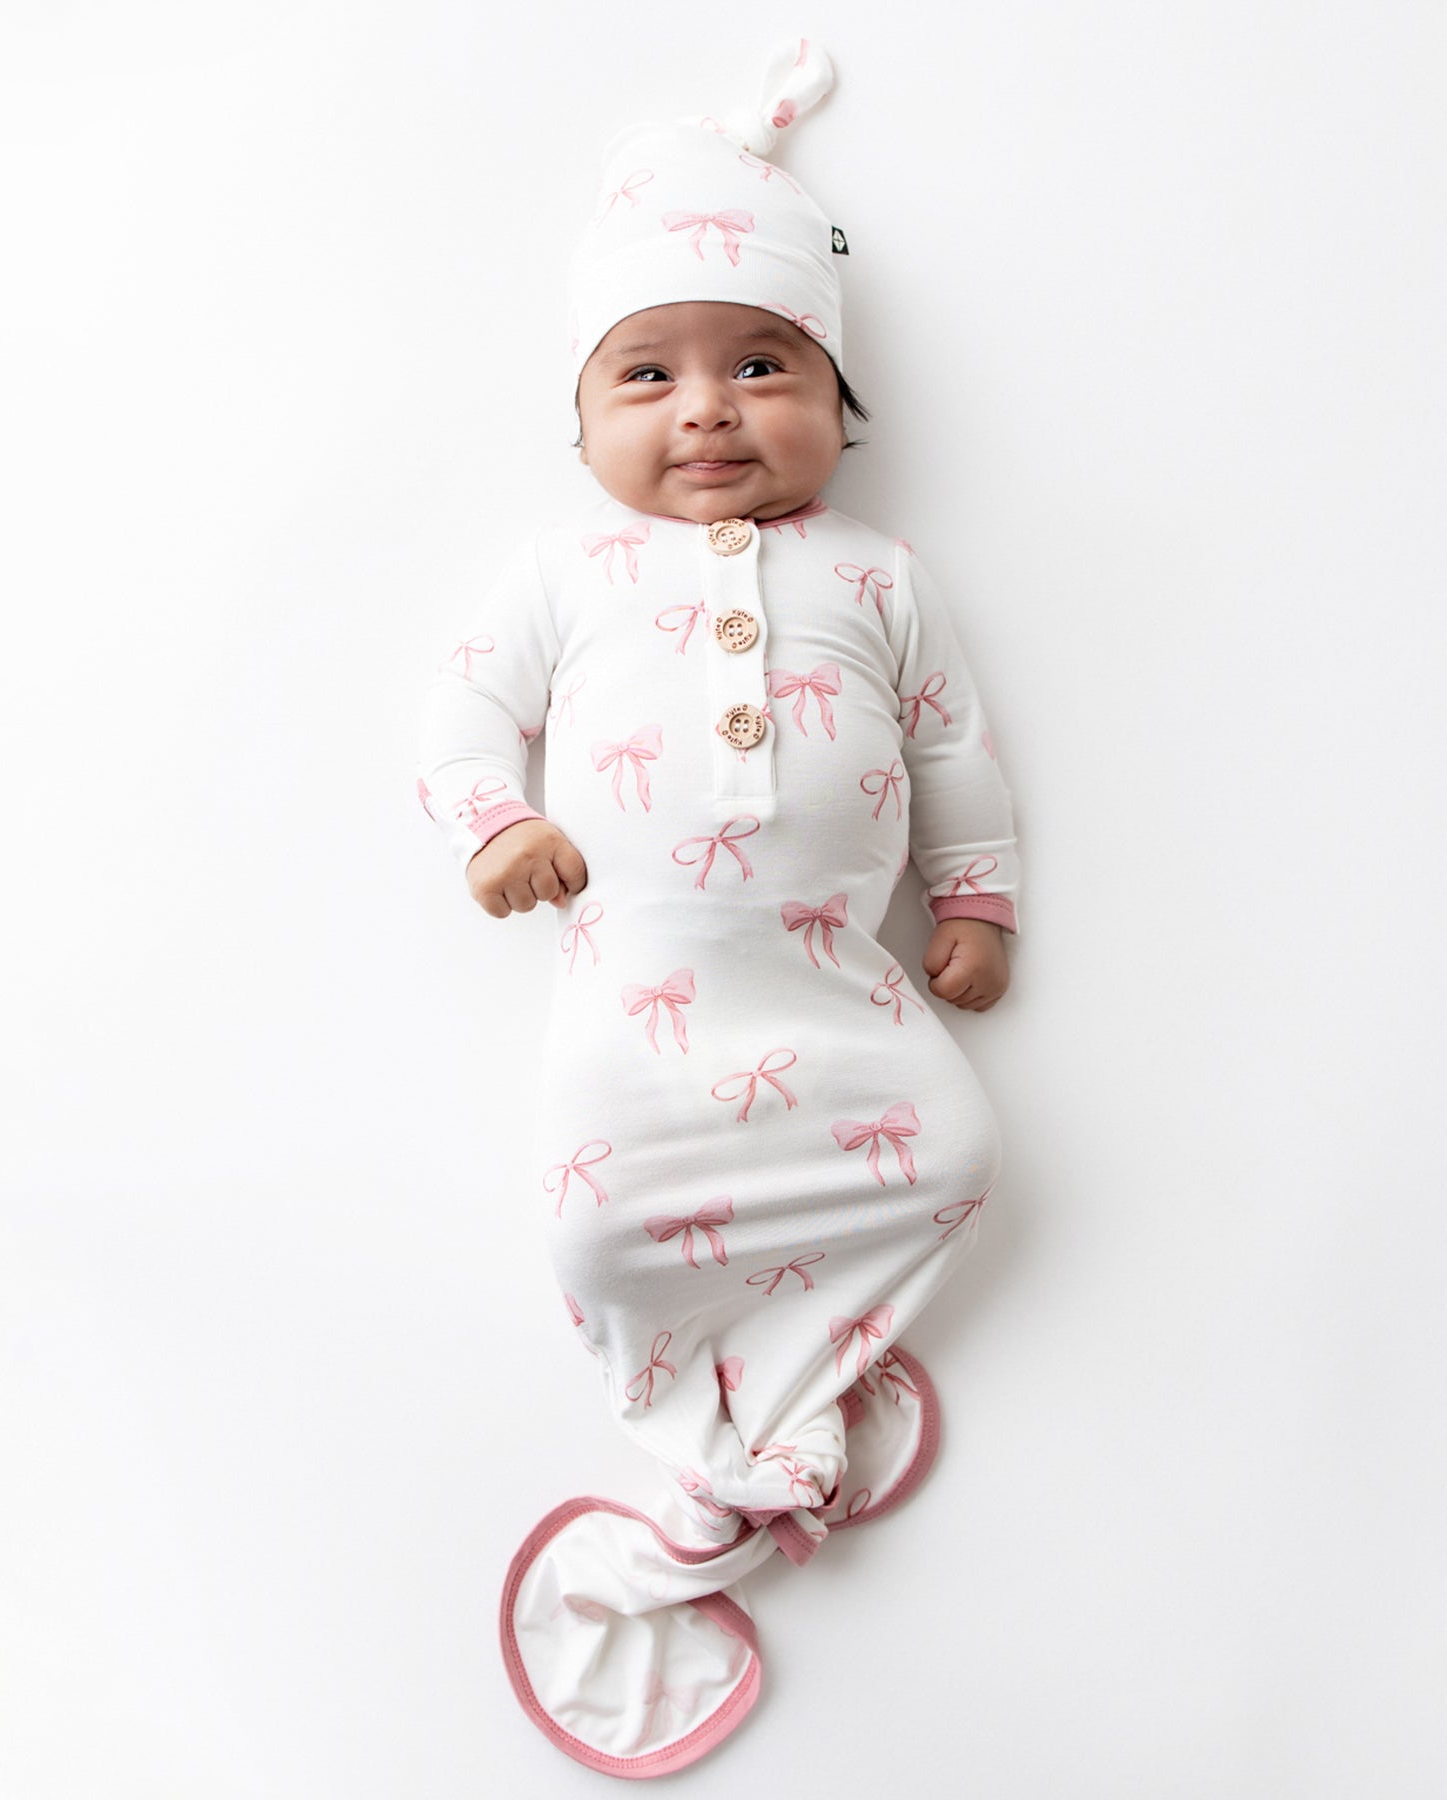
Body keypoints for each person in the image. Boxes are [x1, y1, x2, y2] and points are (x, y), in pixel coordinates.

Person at [416, 39, 1022, 1776]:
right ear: (583, 416)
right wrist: (497, 827)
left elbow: (958, 753)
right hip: (636, 997)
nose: (706, 411)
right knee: (591, 1235)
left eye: (762, 366)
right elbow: (458, 715)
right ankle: (733, 1439)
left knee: (961, 1155)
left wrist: (976, 903)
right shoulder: (564, 571)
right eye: (647, 376)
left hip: (839, 998)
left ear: (841, 408)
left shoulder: (883, 577)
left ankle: (795, 1385)